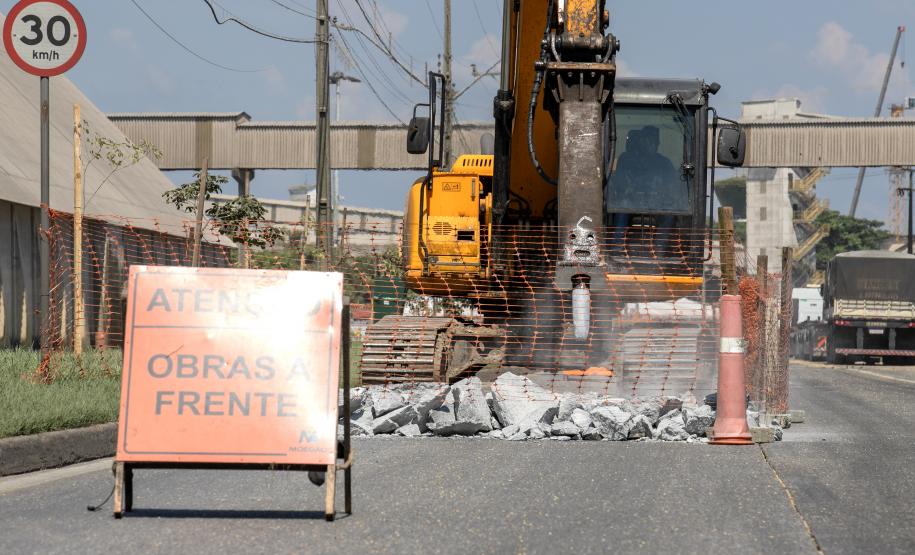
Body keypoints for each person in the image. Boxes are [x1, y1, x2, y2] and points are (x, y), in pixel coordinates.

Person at [609, 125, 683, 255]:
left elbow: (673, 184)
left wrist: (665, 194)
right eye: (646, 140)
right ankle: (617, 247)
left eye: (653, 141)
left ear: (657, 143)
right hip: (631, 201)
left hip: (657, 203)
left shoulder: (665, 163)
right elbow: (619, 181)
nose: (650, 144)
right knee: (621, 207)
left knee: (670, 214)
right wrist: (627, 189)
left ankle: (659, 249)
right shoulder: (626, 159)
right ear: (640, 142)